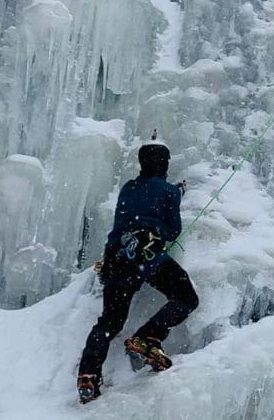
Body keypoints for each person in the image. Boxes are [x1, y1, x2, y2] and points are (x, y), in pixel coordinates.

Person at [76, 143, 199, 403]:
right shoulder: (168, 191)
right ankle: (147, 336)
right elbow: (173, 230)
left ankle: (88, 374)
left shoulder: (128, 188)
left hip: (117, 258)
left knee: (109, 322)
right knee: (185, 297)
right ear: (164, 165)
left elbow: (138, 206)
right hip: (148, 257)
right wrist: (176, 194)